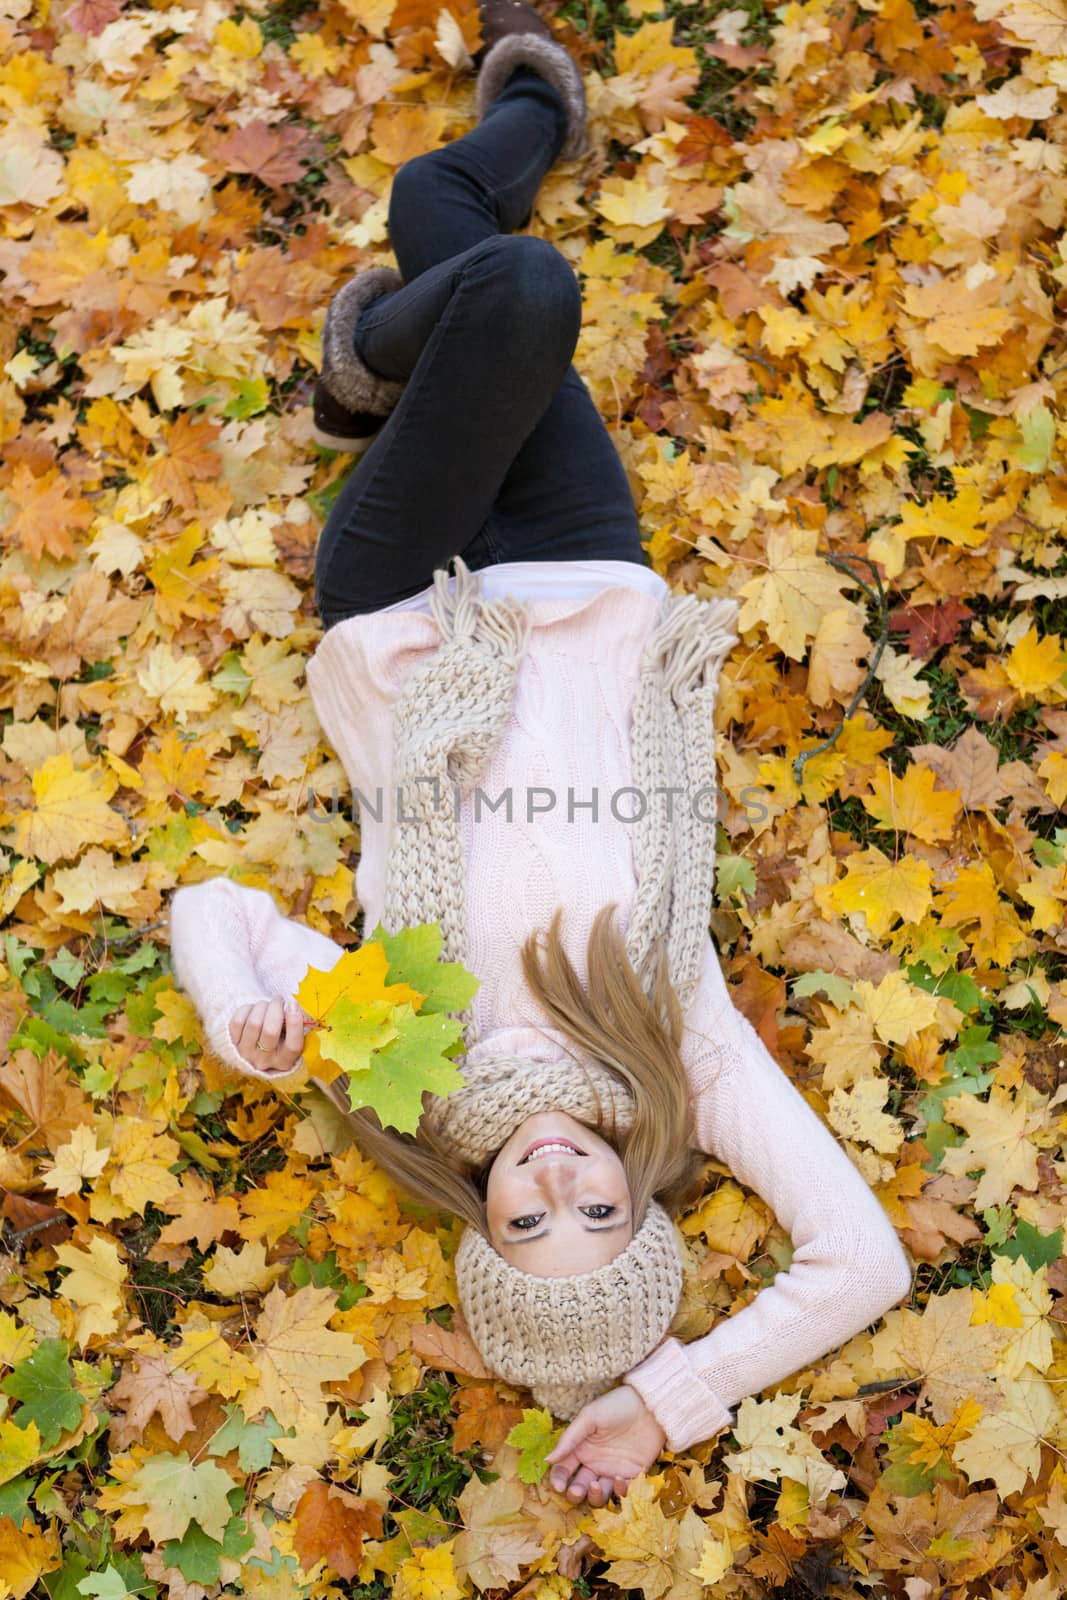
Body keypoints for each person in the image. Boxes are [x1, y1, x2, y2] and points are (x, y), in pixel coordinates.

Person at [169, 0, 912, 1510]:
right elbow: (861, 1261)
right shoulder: (681, 1057)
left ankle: (394, 343)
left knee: (507, 283)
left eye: (528, 1224)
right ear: (644, 1201)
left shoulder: (403, 1058)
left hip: (399, 611)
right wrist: (666, 1402)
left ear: (479, 1216)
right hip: (585, 579)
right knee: (465, 236)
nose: (561, 1187)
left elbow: (213, 911)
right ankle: (509, 150)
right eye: (599, 1218)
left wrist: (242, 1001)